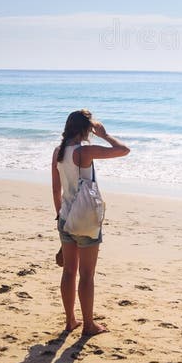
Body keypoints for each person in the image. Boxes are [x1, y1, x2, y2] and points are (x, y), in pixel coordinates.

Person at [52, 109, 130, 335]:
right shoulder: (84, 152)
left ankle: (70, 321)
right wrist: (105, 134)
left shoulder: (59, 151)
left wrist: (60, 216)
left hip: (66, 217)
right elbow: (123, 150)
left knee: (68, 272)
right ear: (85, 129)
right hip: (85, 218)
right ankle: (88, 324)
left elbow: (56, 189)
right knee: (86, 275)